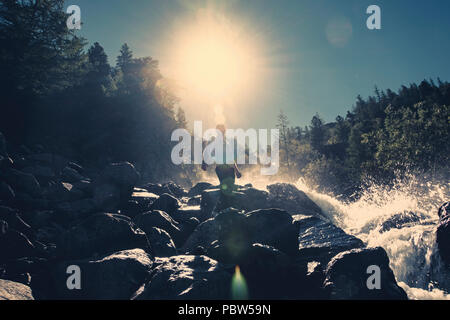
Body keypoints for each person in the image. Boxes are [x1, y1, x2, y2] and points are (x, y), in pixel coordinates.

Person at [201, 124, 241, 193]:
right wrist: (204, 163)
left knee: (229, 188)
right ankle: (224, 201)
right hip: (220, 169)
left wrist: (237, 170)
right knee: (225, 188)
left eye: (223, 131)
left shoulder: (226, 143)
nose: (222, 133)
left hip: (229, 169)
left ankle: (226, 201)